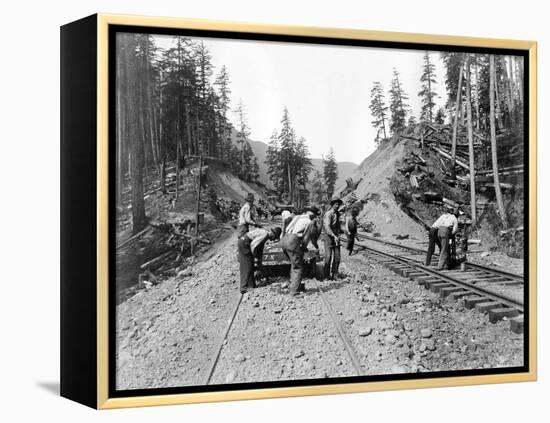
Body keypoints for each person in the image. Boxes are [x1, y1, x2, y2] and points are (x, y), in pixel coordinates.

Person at [280, 207, 320, 295]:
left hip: (284, 239)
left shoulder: (298, 217)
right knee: (298, 267)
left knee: (293, 263)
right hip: (293, 240)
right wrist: (304, 248)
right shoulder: (309, 222)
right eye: (315, 216)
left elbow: (286, 227)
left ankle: (293, 283)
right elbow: (305, 238)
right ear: (312, 215)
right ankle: (294, 290)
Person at [238, 227, 282, 294]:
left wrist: (259, 258)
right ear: (273, 234)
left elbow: (260, 247)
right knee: (247, 265)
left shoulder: (265, 235)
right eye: (274, 238)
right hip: (244, 243)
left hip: (245, 242)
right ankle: (243, 287)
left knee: (251, 265)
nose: (273, 240)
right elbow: (253, 245)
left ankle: (251, 285)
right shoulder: (265, 234)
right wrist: (255, 257)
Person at [425, 206, 460, 270]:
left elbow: (440, 224)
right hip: (444, 232)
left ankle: (448, 263)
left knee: (443, 247)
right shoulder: (454, 218)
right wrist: (450, 234)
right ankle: (440, 266)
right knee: (444, 249)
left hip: (438, 231)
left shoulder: (444, 216)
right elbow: (454, 230)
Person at [323, 198, 343, 279]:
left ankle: (335, 274)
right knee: (328, 256)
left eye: (339, 205)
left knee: (337, 256)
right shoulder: (328, 214)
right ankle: (326, 275)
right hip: (328, 236)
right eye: (336, 204)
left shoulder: (337, 213)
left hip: (336, 235)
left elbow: (338, 225)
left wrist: (340, 233)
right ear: (333, 205)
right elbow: (327, 227)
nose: (338, 206)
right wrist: (333, 235)